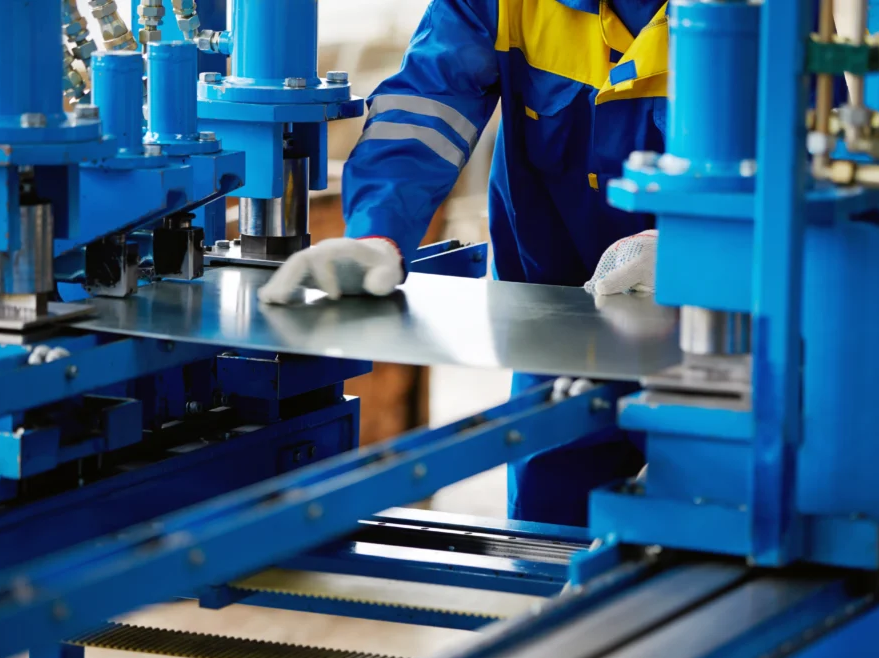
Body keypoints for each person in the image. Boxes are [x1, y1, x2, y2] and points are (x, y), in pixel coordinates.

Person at [257, 0, 837, 526]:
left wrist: (706, 253)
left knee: (714, 547)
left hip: (729, 342)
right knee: (548, 536)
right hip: (559, 338)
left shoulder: (776, 14)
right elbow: (428, 104)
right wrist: (378, 234)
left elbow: (822, 164)